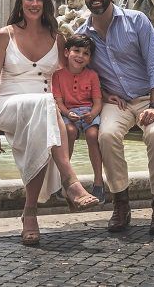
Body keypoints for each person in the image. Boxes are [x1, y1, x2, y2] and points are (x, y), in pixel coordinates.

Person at [0, 0, 99, 247]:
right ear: (21, 3)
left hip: (44, 108)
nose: (34, 4)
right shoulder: (4, 35)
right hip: (9, 103)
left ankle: (30, 212)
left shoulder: (56, 37)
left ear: (45, 3)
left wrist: (101, 94)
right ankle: (70, 182)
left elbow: (66, 74)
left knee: (45, 113)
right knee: (46, 106)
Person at [76, 0, 154, 235]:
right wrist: (105, 96)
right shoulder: (82, 35)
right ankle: (121, 203)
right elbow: (81, 74)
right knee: (105, 136)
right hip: (115, 102)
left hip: (148, 97)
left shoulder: (137, 20)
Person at [52, 33, 105, 203]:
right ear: (66, 52)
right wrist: (67, 113)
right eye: (76, 51)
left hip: (88, 112)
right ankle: (66, 181)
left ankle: (98, 181)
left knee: (92, 135)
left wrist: (93, 114)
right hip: (68, 112)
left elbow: (98, 102)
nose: (80, 56)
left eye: (86, 53)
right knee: (69, 131)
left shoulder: (92, 75)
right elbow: (58, 101)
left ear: (90, 58)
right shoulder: (58, 76)